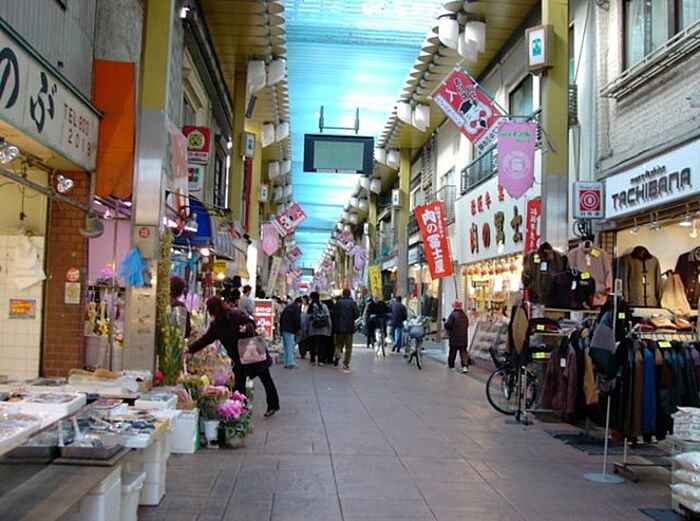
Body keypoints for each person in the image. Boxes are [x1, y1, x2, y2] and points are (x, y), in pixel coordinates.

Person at [188, 296, 280, 417]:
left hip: (252, 352)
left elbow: (251, 323)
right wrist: (190, 349)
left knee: (265, 379)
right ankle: (240, 408)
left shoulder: (235, 315)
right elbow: (205, 340)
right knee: (240, 383)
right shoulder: (216, 325)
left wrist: (246, 328)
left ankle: (272, 405)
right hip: (239, 357)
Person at [333, 288, 359, 372]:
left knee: (338, 344)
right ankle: (346, 363)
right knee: (348, 347)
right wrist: (351, 318)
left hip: (339, 327)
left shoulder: (338, 303)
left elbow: (334, 314)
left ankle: (337, 354)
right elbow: (357, 314)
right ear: (350, 294)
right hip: (349, 328)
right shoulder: (352, 303)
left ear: (343, 294)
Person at [306, 291, 332, 366]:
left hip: (312, 328)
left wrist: (306, 328)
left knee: (312, 345)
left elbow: (307, 318)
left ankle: (312, 360)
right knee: (322, 345)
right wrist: (329, 327)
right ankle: (321, 360)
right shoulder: (324, 306)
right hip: (323, 328)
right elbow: (327, 317)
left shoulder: (310, 307)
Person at [444, 300, 470, 373]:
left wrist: (445, 324)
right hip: (463, 338)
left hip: (454, 337)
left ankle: (451, 366)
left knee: (452, 352)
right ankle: (464, 366)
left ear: (454, 306)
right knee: (463, 353)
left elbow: (449, 325)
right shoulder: (465, 315)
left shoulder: (453, 315)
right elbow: (467, 325)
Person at [280, 297, 302, 368]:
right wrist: (298, 328)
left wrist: (281, 328)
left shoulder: (287, 307)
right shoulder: (296, 308)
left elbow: (281, 317)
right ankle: (290, 362)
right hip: (290, 329)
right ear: (299, 303)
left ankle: (286, 362)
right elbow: (297, 319)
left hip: (284, 328)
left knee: (286, 346)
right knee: (290, 346)